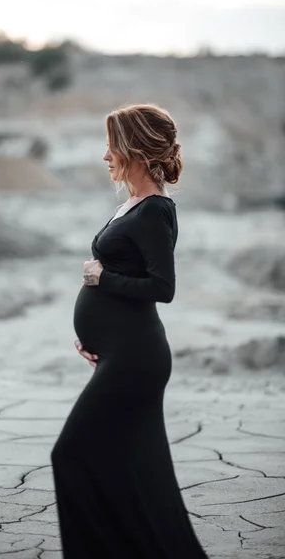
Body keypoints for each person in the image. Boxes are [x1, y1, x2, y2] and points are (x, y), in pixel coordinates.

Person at [50, 103, 209, 558]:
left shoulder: (155, 210)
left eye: (110, 145)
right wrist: (96, 336)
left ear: (134, 148)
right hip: (120, 353)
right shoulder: (132, 205)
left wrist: (102, 280)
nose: (105, 156)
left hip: (136, 358)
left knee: (72, 454)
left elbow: (163, 287)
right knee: (134, 468)